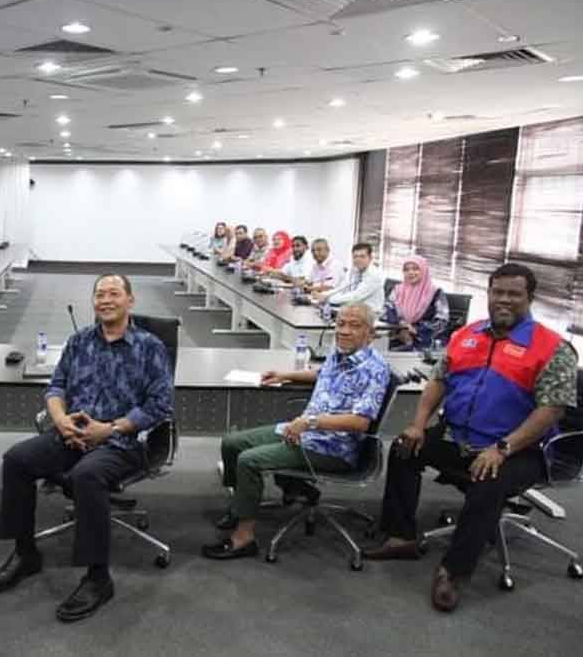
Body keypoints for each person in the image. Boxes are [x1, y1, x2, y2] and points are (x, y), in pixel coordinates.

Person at [363, 263, 577, 612]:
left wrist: (502, 448)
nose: (504, 300)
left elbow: (550, 411)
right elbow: (438, 382)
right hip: (459, 436)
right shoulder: (467, 335)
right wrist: (418, 423)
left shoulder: (552, 348)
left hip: (519, 449)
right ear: (489, 294)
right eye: (498, 292)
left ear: (530, 298)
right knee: (404, 449)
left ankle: (454, 571)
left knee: (489, 480)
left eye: (514, 294)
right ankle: (400, 535)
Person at [0, 274, 174, 622]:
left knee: (87, 475)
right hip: (73, 434)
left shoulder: (150, 347)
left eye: (114, 294)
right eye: (99, 295)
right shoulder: (79, 341)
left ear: (130, 301)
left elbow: (160, 407)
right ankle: (25, 553)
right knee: (17, 460)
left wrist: (111, 428)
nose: (105, 300)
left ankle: (98, 578)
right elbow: (55, 387)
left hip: (124, 441)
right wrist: (60, 421)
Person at [204, 304, 390, 560]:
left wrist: (311, 422)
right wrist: (285, 374)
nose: (344, 331)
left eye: (354, 325)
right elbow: (322, 374)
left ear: (370, 333)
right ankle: (240, 509)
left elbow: (360, 423)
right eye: (340, 324)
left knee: (249, 461)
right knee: (232, 443)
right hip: (305, 432)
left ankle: (243, 538)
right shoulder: (341, 354)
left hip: (332, 448)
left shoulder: (374, 369)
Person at [383, 255, 449, 351]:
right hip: (399, 333)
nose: (410, 273)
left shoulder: (436, 293)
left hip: (425, 339)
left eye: (415, 269)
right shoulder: (397, 290)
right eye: (406, 270)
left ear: (423, 271)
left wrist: (416, 330)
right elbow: (387, 309)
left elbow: (442, 321)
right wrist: (401, 324)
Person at [315, 242, 385, 311]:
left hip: (370, 314)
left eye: (362, 256)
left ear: (370, 258)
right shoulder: (354, 271)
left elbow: (355, 296)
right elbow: (341, 288)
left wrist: (327, 299)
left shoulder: (374, 275)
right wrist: (323, 295)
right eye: (355, 257)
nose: (358, 259)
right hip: (353, 308)